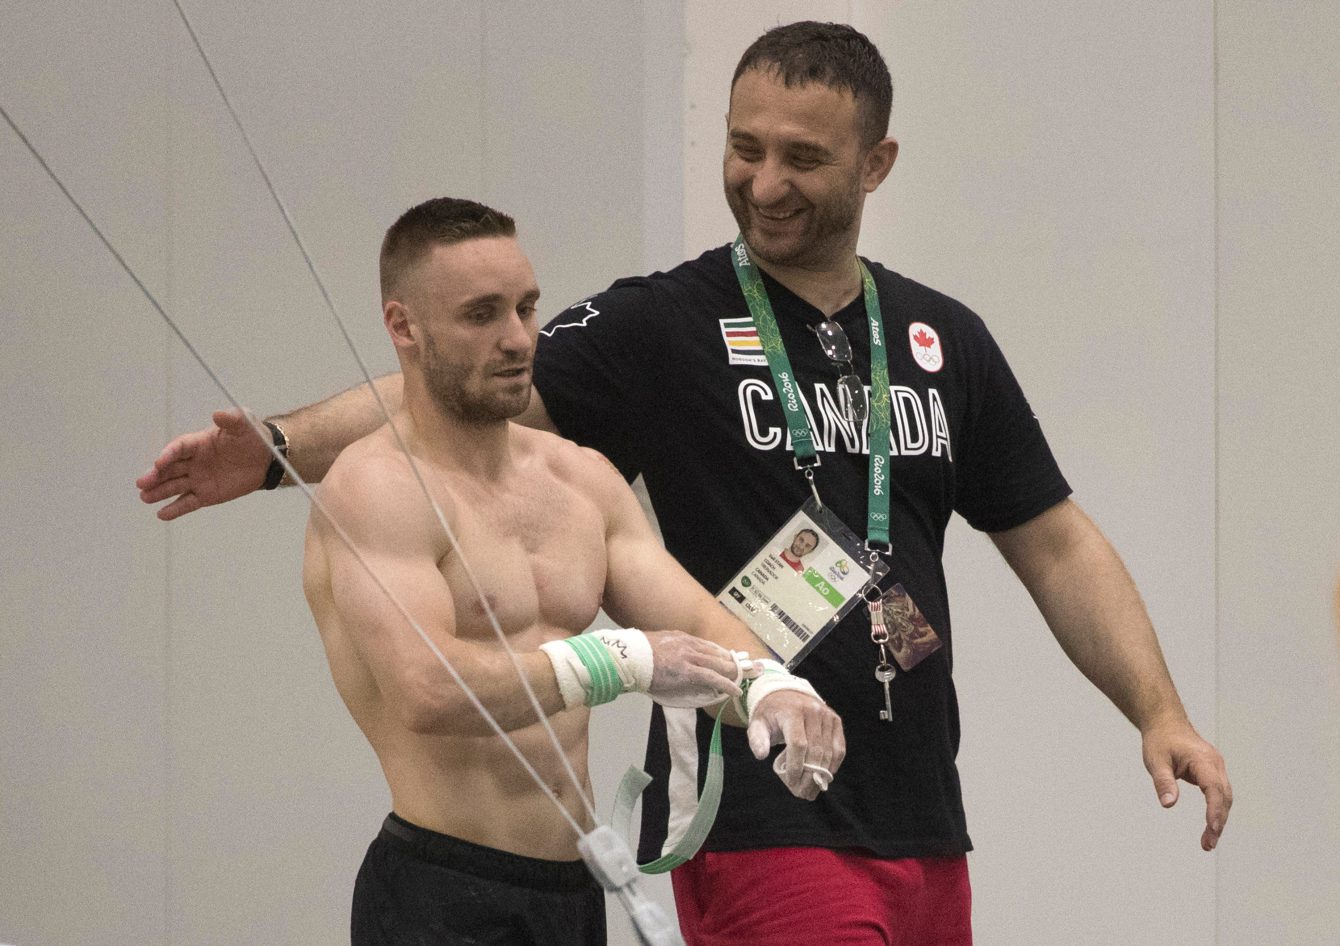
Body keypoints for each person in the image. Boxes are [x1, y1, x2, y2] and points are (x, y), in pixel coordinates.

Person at [137, 22, 1232, 945]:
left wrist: (1157, 705)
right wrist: (283, 447)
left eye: (801, 157)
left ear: (875, 163)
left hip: (917, 811)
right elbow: (450, 385)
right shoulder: (662, 323)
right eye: (741, 147)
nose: (763, 182)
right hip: (760, 812)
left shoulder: (943, 338)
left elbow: (1054, 538)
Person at [292, 197, 844, 944]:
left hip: (572, 890)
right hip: (442, 889)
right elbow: (425, 689)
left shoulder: (580, 480)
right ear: (404, 327)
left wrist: (772, 688)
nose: (518, 339)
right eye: (481, 315)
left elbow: (694, 622)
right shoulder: (375, 489)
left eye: (525, 308)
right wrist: (621, 658)